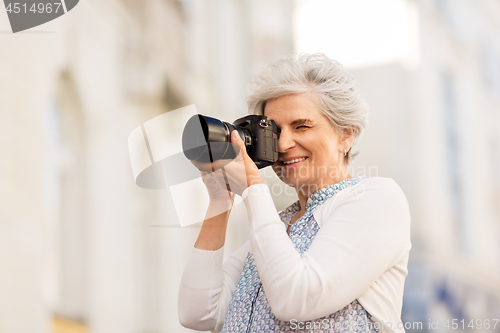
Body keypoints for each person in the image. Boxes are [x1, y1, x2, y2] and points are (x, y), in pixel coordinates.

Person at [178, 53, 411, 333]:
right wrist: (220, 201)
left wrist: (253, 188)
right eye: (274, 132)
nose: (285, 144)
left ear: (346, 135)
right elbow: (199, 313)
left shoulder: (377, 199)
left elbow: (296, 299)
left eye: (301, 126)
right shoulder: (278, 227)